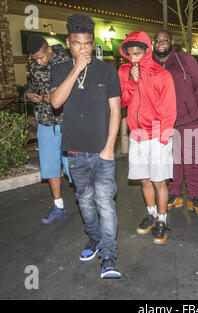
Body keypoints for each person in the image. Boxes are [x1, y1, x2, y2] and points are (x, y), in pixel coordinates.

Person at [50, 13, 122, 279]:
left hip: (102, 152)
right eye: (78, 43)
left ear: (94, 43)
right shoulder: (59, 70)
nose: (84, 48)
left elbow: (115, 111)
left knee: (106, 204)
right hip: (75, 152)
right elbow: (56, 102)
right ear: (69, 43)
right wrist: (77, 68)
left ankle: (109, 256)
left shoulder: (107, 70)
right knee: (86, 203)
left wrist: (109, 147)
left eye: (89, 44)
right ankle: (94, 239)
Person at [118, 31, 177, 244]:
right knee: (144, 180)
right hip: (138, 135)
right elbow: (122, 102)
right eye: (131, 54)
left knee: (159, 181)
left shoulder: (161, 74)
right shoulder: (124, 72)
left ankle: (162, 218)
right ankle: (151, 214)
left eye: (138, 53)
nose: (134, 58)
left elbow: (170, 109)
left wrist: (164, 138)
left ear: (146, 51)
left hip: (158, 135)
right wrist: (132, 82)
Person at [152, 30, 198, 215]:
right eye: (158, 40)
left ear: (172, 42)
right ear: (154, 43)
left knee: (192, 161)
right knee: (173, 161)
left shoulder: (185, 59)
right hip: (164, 123)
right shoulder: (150, 63)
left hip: (189, 119)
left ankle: (193, 197)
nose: (161, 43)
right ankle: (175, 193)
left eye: (165, 40)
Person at [25, 35, 72, 224]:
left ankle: (88, 202)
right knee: (50, 165)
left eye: (41, 57)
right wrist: (29, 93)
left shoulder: (67, 61)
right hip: (45, 121)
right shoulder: (35, 65)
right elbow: (32, 84)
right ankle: (58, 206)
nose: (39, 61)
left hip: (67, 121)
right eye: (35, 58)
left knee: (74, 167)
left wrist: (54, 97)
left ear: (49, 50)